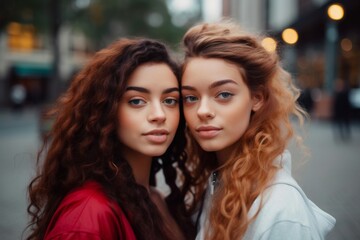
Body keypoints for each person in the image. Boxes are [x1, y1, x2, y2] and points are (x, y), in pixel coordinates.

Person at [25, 38, 195, 240]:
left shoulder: (155, 199)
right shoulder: (88, 216)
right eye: (137, 101)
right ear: (106, 111)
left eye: (170, 100)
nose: (159, 114)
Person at [180, 20, 336, 240]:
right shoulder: (217, 182)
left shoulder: (282, 210)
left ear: (257, 98)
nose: (202, 111)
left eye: (224, 94)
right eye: (191, 97)